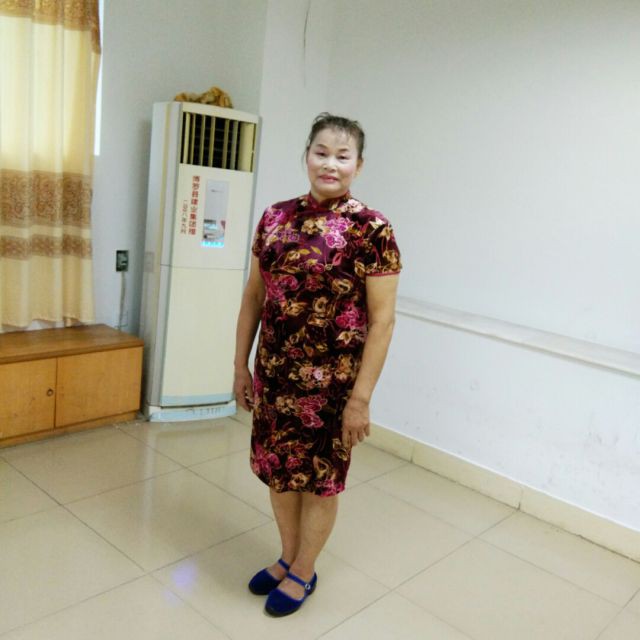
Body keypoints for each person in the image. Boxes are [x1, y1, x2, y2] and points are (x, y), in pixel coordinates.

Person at [233, 112, 401, 617]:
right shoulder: (275, 218)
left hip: (333, 389)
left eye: (342, 156)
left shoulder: (373, 229)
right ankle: (287, 557)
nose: (330, 164)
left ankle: (305, 569)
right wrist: (241, 366)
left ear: (358, 165)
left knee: (319, 480)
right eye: (321, 152)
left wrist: (360, 400)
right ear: (306, 156)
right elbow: (254, 296)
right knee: (280, 473)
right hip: (276, 377)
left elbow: (383, 321)